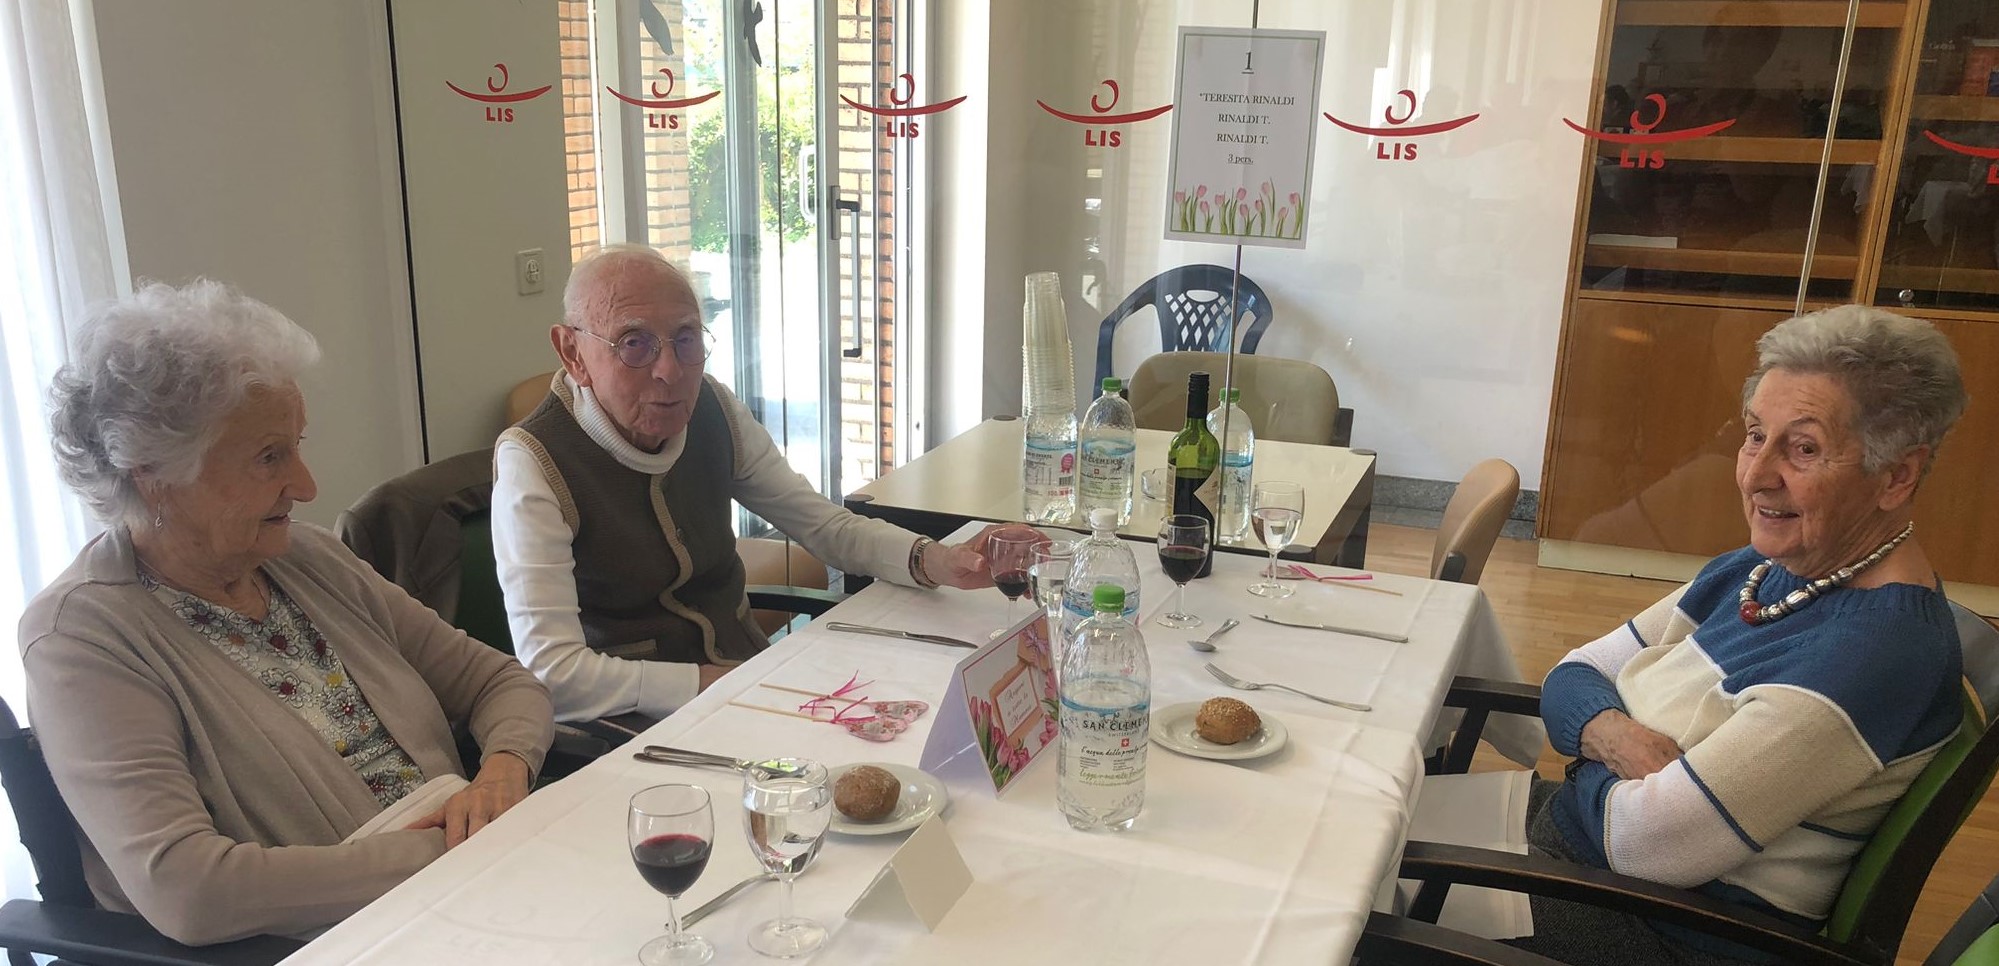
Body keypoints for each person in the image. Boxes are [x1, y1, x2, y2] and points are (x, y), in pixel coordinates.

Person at [23, 280, 555, 945]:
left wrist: (503, 774)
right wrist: (452, 847)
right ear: (154, 474)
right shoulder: (81, 638)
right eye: (269, 457)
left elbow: (500, 682)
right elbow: (191, 891)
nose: (305, 486)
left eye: (296, 446)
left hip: (473, 892)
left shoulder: (307, 557)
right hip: (342, 940)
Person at [1512, 305, 1969, 964]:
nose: (1756, 475)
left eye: (1803, 448)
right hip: (1585, 857)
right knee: (1374, 805)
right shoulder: (1760, 569)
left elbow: (1647, 845)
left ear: (1897, 475)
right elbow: (1572, 673)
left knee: (1371, 882)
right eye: (1755, 435)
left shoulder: (1877, 649)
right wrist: (1616, 740)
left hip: (1659, 929)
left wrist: (1583, 748)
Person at [494, 245, 1019, 723]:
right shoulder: (533, 462)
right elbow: (553, 672)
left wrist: (938, 560)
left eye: (686, 339)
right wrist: (713, 685)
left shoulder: (713, 408)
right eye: (635, 344)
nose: (669, 371)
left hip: (750, 682)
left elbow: (824, 526)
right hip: (632, 724)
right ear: (572, 353)